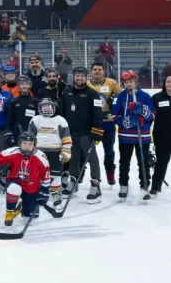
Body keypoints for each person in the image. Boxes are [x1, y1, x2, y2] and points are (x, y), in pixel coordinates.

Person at [112, 70, 155, 202]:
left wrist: (144, 112)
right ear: (123, 83)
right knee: (124, 162)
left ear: (135, 82)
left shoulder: (145, 96)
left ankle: (145, 186)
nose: (129, 84)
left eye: (131, 81)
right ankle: (123, 185)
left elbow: (153, 115)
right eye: (126, 82)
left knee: (143, 162)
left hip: (143, 136)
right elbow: (114, 115)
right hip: (125, 136)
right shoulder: (119, 97)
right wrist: (126, 121)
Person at [0, 131, 52, 226]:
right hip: (15, 181)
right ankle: (10, 213)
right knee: (14, 189)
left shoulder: (41, 157)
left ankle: (21, 208)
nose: (27, 146)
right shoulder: (14, 151)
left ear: (34, 145)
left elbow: (46, 175)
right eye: (24, 143)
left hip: (32, 188)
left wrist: (44, 190)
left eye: (30, 144)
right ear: (19, 143)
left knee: (31, 221)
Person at [62, 66, 104, 202]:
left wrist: (97, 131)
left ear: (86, 77)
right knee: (73, 159)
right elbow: (62, 113)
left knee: (92, 159)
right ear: (73, 77)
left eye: (82, 75)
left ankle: (95, 185)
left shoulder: (93, 93)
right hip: (71, 132)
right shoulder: (67, 92)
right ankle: (73, 182)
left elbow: (98, 114)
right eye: (77, 75)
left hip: (86, 133)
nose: (79, 78)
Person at [29, 99, 72, 207]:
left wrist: (66, 150)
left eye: (49, 107)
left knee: (55, 174)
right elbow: (30, 137)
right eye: (44, 107)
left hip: (56, 151)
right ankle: (38, 193)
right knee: (37, 173)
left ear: (54, 108)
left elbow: (66, 137)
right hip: (39, 152)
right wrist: (29, 151)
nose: (46, 109)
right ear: (40, 108)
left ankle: (56, 194)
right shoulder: (35, 119)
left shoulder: (60, 120)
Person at [87, 62, 121, 186]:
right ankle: (82, 174)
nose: (97, 71)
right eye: (95, 69)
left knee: (109, 151)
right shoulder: (86, 84)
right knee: (88, 151)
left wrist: (114, 104)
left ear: (103, 71)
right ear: (91, 71)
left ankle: (110, 173)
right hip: (91, 123)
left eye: (99, 69)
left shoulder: (111, 83)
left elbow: (119, 99)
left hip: (108, 122)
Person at [6, 76, 38, 146]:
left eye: (26, 84)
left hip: (32, 133)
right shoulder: (14, 101)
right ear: (18, 86)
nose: (24, 86)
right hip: (17, 132)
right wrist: (9, 131)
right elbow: (10, 118)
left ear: (30, 85)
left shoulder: (35, 101)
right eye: (22, 84)